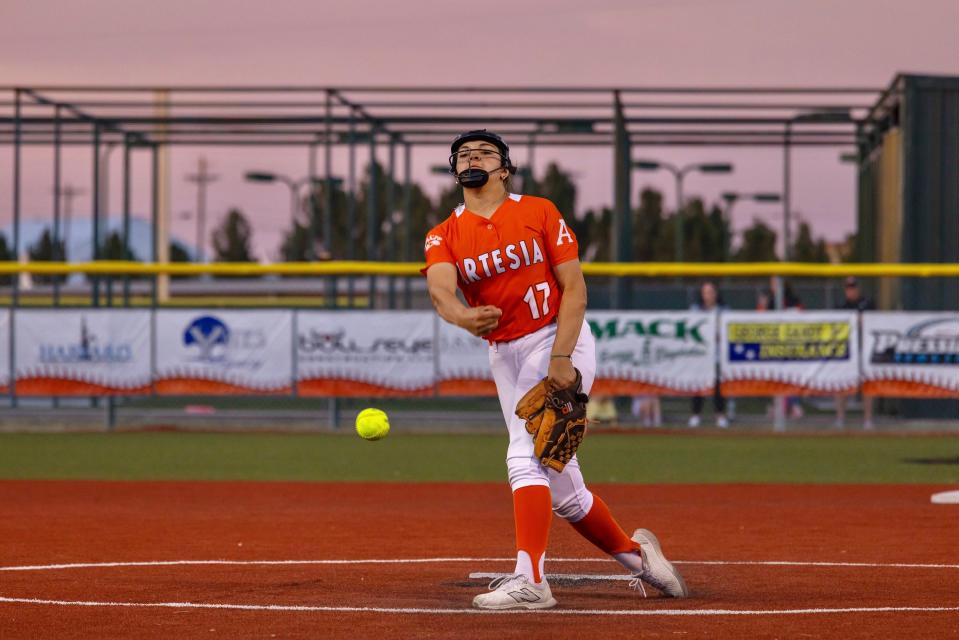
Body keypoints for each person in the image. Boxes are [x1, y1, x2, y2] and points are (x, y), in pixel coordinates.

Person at [423, 130, 688, 610]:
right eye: (462, 154)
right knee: (564, 489)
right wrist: (463, 316)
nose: (471, 158)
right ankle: (641, 560)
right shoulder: (444, 233)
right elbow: (442, 289)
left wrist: (562, 357)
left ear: (505, 167)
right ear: (454, 169)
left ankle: (532, 581)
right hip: (504, 353)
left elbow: (575, 289)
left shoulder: (539, 211)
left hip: (555, 337)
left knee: (524, 457)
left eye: (484, 152)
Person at [836, 276, 876, 429]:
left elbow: (874, 321)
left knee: (868, 384)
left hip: (864, 347)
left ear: (859, 288)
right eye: (848, 288)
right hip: (846, 349)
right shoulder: (841, 304)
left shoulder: (867, 303)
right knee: (840, 383)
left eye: (853, 287)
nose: (851, 290)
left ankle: (868, 420)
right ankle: (840, 419)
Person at [688, 281, 728, 428]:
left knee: (718, 386)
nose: (708, 295)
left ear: (716, 294)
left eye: (711, 292)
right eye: (705, 292)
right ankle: (695, 415)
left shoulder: (723, 311)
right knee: (698, 384)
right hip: (701, 354)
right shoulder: (695, 310)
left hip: (717, 354)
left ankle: (720, 416)